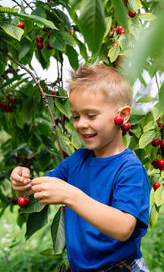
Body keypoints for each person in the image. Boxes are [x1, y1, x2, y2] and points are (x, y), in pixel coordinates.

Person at [10, 64, 150, 272]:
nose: (81, 124)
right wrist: (21, 183)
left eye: (91, 115)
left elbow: (123, 228)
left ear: (123, 115)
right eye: (76, 116)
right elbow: (38, 191)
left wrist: (70, 196)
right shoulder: (76, 161)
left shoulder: (129, 170)